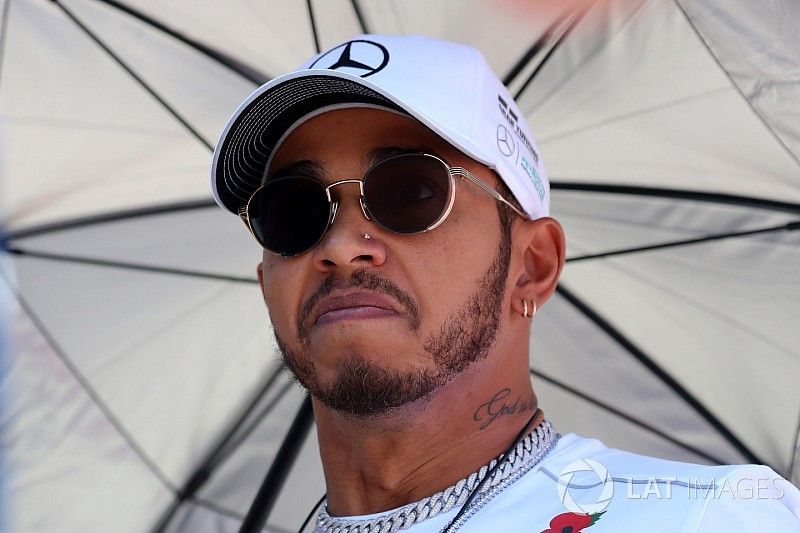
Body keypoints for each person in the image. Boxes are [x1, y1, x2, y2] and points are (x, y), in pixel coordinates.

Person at [211, 35, 800, 532]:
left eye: (411, 191)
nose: (339, 248)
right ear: (267, 285)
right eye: (292, 212)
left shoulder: (708, 519)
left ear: (533, 265)